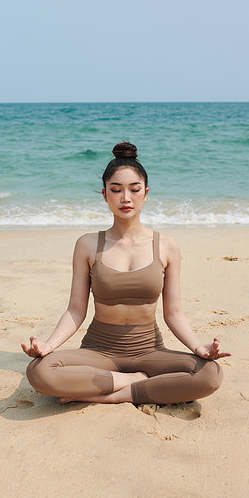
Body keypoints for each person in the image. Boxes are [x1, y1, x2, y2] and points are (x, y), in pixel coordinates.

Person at [21, 142, 230, 405]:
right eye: (116, 190)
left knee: (210, 374)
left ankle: (113, 393)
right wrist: (49, 346)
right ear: (104, 194)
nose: (125, 198)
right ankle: (134, 381)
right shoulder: (87, 245)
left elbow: (174, 312)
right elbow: (76, 310)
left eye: (134, 189)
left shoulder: (166, 246)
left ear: (146, 193)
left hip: (149, 350)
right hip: (99, 351)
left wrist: (198, 348)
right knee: (38, 371)